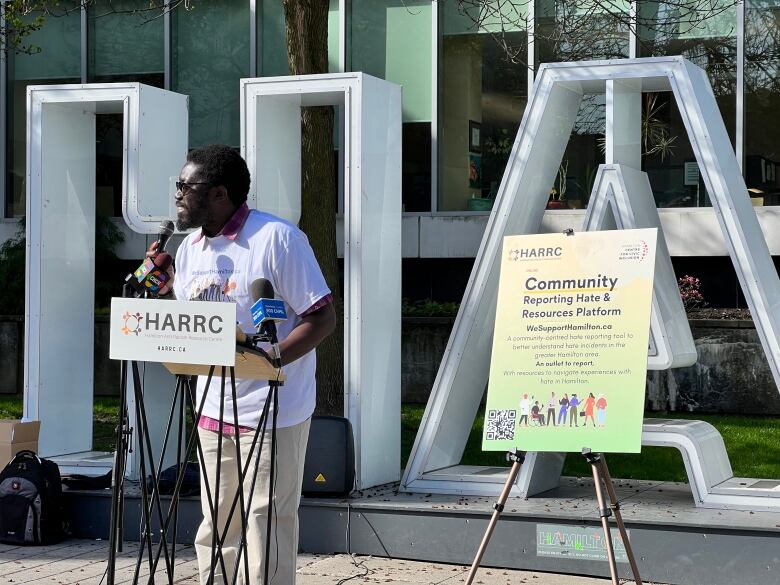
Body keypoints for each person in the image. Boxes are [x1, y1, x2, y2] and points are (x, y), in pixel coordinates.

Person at [157, 144, 336, 585]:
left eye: (186, 186)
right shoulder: (191, 249)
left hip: (273, 411)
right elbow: (189, 328)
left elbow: (322, 316)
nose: (177, 194)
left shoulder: (277, 239)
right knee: (217, 524)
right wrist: (161, 297)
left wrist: (274, 358)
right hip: (213, 410)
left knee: (266, 521)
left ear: (219, 194)